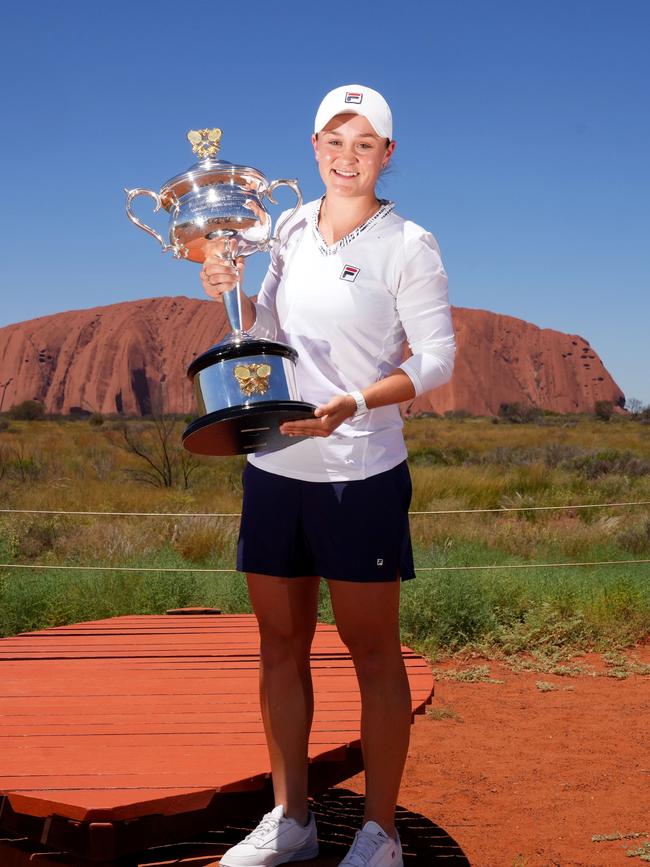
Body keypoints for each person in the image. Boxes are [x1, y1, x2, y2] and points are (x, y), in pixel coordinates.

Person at [201, 84, 456, 867]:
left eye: (365, 144)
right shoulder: (284, 228)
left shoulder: (408, 244)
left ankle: (378, 833)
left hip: (361, 469)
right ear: (313, 148)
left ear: (387, 153)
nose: (348, 158)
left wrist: (357, 401)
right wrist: (224, 286)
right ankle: (293, 817)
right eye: (334, 142)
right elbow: (265, 331)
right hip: (277, 462)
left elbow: (438, 360)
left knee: (371, 652)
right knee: (280, 644)